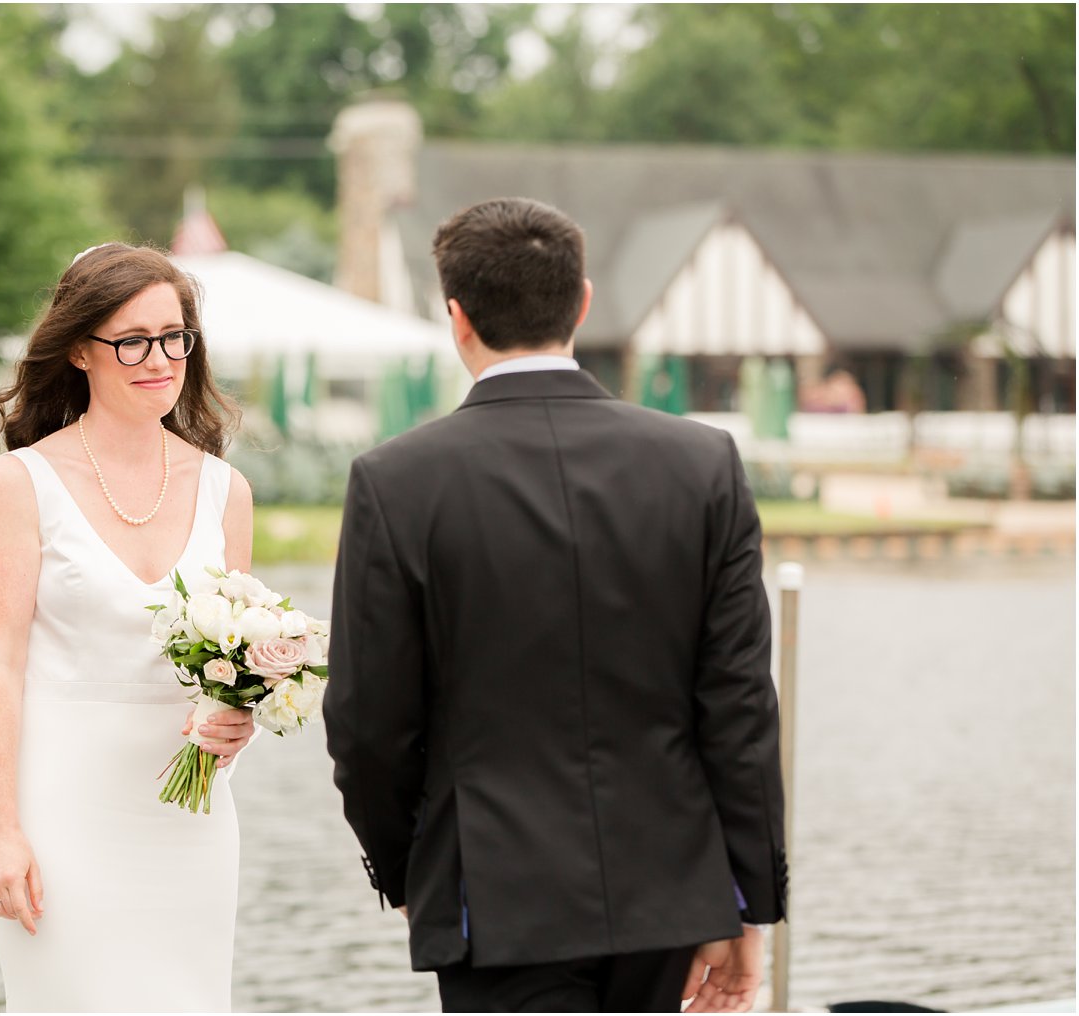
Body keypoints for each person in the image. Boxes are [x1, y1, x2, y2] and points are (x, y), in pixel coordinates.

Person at [324, 198, 787, 1013]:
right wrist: (748, 901)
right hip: (670, 892)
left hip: (491, 892)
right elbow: (740, 707)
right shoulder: (702, 463)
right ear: (582, 301)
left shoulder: (397, 481)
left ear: (456, 317)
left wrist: (409, 871)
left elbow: (369, 722)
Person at [0, 243, 256, 1012]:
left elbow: (232, 662)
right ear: (79, 351)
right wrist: (3, 832)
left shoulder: (226, 490)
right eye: (132, 340)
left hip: (188, 822)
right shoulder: (21, 482)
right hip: (62, 817)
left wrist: (239, 714)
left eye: (174, 337)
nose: (159, 359)